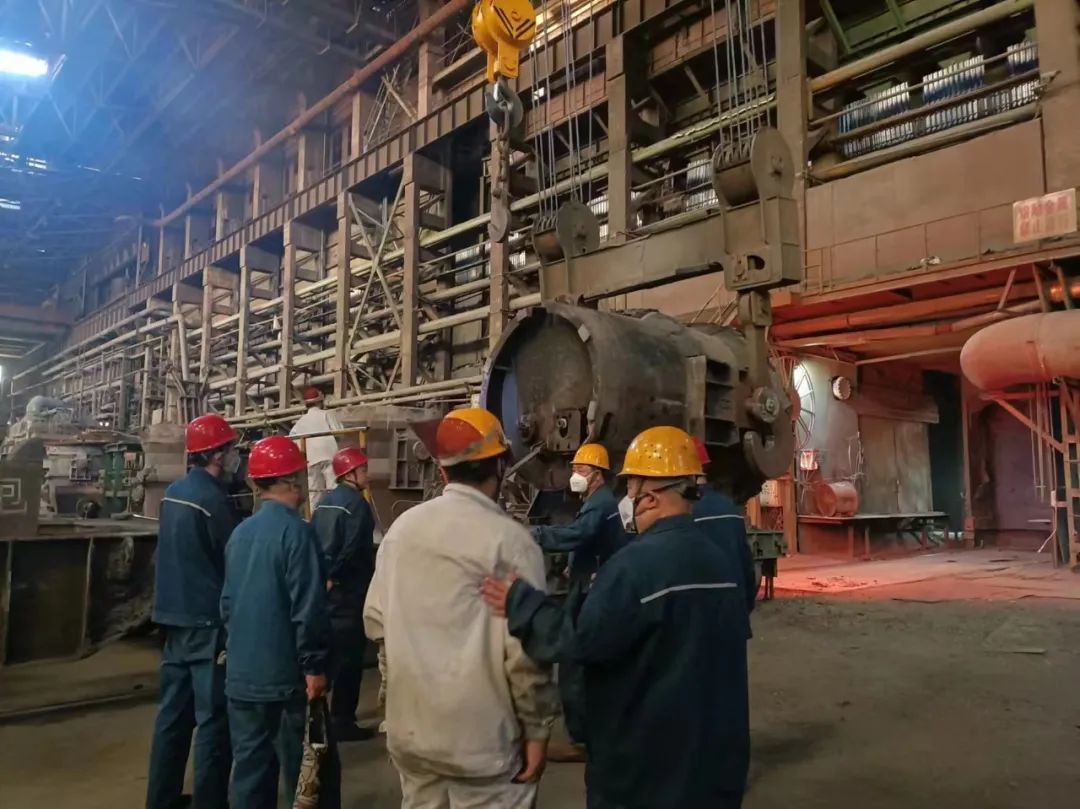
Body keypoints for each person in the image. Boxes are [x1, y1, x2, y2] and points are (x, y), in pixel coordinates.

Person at [482, 426, 751, 809]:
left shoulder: (632, 569)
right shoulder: (719, 562)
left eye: (630, 488)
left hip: (646, 774)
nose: (626, 498)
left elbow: (579, 642)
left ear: (650, 497)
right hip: (715, 768)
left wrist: (521, 603)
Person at [363, 407, 559, 809]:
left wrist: (398, 704)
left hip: (412, 735)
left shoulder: (401, 531)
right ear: (501, 466)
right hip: (481, 742)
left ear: (442, 469)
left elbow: (376, 624)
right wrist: (537, 730)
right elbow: (526, 653)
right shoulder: (511, 542)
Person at [221, 436, 339, 809]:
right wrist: (314, 667)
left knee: (250, 774)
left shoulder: (240, 534)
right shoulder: (297, 533)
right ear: (292, 480)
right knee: (310, 776)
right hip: (287, 681)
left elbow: (227, 604)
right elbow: (308, 608)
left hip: (242, 678)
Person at [146, 414, 240, 809]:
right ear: (217, 454)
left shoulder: (174, 492)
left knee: (172, 717)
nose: (236, 456)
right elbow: (231, 559)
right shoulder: (213, 501)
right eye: (232, 449)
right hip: (206, 623)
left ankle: (161, 799)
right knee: (213, 721)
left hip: (173, 617)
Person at [529, 442, 626, 757]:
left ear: (598, 475)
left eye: (581, 470)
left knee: (573, 662)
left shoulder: (599, 504)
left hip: (590, 592)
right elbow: (587, 541)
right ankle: (590, 731)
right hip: (587, 584)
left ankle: (581, 740)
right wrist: (574, 564)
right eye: (574, 469)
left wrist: (535, 535)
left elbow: (578, 535)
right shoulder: (598, 501)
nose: (575, 476)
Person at [311, 446, 377, 742]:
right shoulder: (357, 505)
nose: (367, 475)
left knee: (329, 656)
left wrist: (323, 577)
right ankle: (343, 721)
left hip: (326, 594)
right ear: (349, 474)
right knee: (350, 660)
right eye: (363, 470)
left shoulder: (325, 502)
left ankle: (320, 717)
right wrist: (336, 576)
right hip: (349, 592)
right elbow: (353, 548)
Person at [691, 437, 757, 614]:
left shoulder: (685, 513)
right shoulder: (731, 509)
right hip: (734, 613)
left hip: (700, 615)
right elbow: (747, 566)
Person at [289, 386, 344, 511]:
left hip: (310, 459)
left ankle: (315, 518)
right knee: (333, 489)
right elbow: (340, 432)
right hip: (329, 456)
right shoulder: (327, 414)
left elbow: (293, 440)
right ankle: (336, 515)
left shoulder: (300, 422)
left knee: (314, 493)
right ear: (320, 400)